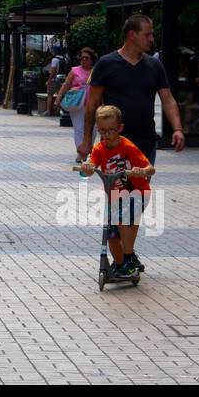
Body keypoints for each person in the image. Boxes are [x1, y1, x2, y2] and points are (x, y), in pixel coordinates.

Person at [79, 14, 186, 167]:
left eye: (152, 35)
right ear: (131, 35)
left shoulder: (154, 65)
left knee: (140, 190)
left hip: (146, 143)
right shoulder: (106, 63)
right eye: (147, 34)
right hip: (113, 143)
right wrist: (87, 140)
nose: (151, 39)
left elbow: (168, 100)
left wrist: (177, 129)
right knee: (117, 190)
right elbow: (92, 104)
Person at [78, 105, 154, 278]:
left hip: (137, 193)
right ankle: (121, 262)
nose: (107, 135)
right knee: (112, 234)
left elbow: (151, 168)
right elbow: (89, 168)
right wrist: (87, 167)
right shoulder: (98, 149)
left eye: (111, 130)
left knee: (124, 219)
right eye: (102, 131)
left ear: (120, 128)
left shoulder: (128, 147)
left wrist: (142, 171)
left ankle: (127, 258)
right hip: (115, 197)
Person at [54, 47, 98, 154]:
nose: (83, 60)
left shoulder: (96, 71)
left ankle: (89, 149)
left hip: (93, 103)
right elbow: (66, 85)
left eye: (86, 58)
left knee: (93, 129)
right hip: (77, 104)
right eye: (82, 58)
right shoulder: (75, 71)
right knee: (79, 129)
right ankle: (81, 153)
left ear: (92, 59)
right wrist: (58, 98)